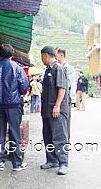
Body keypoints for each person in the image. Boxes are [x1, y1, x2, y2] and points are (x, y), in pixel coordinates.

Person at [0, 44, 29, 171]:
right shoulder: (17, 68)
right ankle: (16, 163)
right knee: (14, 133)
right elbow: (23, 87)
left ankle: (0, 162)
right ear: (12, 55)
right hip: (14, 105)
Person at [39, 46, 69, 175]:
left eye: (42, 57)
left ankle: (63, 163)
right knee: (48, 136)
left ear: (46, 56)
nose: (42, 60)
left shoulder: (58, 68)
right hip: (47, 110)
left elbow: (61, 89)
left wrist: (57, 105)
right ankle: (51, 160)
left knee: (59, 137)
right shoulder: (48, 70)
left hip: (56, 110)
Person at [55, 47, 76, 142]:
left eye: (56, 56)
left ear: (61, 55)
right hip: (56, 98)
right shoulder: (54, 67)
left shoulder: (69, 69)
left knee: (65, 123)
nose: (55, 58)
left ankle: (66, 143)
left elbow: (68, 85)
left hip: (66, 99)